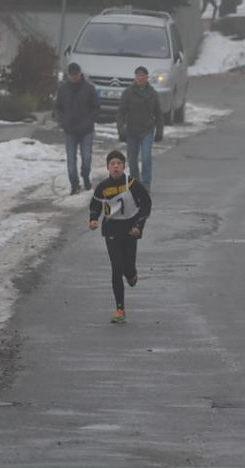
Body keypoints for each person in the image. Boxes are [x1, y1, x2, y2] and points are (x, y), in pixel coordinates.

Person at [89, 150, 152, 324]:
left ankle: (131, 274)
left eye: (118, 163)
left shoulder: (133, 184)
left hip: (130, 229)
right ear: (107, 168)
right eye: (112, 164)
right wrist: (93, 219)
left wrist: (138, 226)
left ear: (124, 166)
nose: (115, 166)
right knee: (117, 268)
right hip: (111, 229)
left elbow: (146, 205)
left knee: (128, 269)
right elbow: (95, 205)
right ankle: (120, 309)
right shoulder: (103, 187)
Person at [55, 62, 99, 195]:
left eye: (76, 74)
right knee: (71, 160)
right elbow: (58, 107)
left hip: (86, 130)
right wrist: (62, 121)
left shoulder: (89, 89)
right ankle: (74, 185)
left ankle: (85, 176)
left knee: (86, 158)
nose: (74, 77)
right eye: (71, 75)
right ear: (68, 75)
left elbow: (95, 108)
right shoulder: (63, 89)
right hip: (70, 130)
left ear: (80, 74)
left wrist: (90, 121)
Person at [117, 66, 164, 191]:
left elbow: (158, 114)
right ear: (135, 77)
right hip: (131, 131)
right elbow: (121, 113)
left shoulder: (152, 94)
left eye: (142, 76)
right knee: (132, 160)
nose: (140, 78)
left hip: (147, 130)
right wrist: (121, 130)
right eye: (138, 76)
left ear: (146, 78)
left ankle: (146, 184)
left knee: (146, 158)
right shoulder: (128, 93)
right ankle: (135, 183)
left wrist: (159, 131)